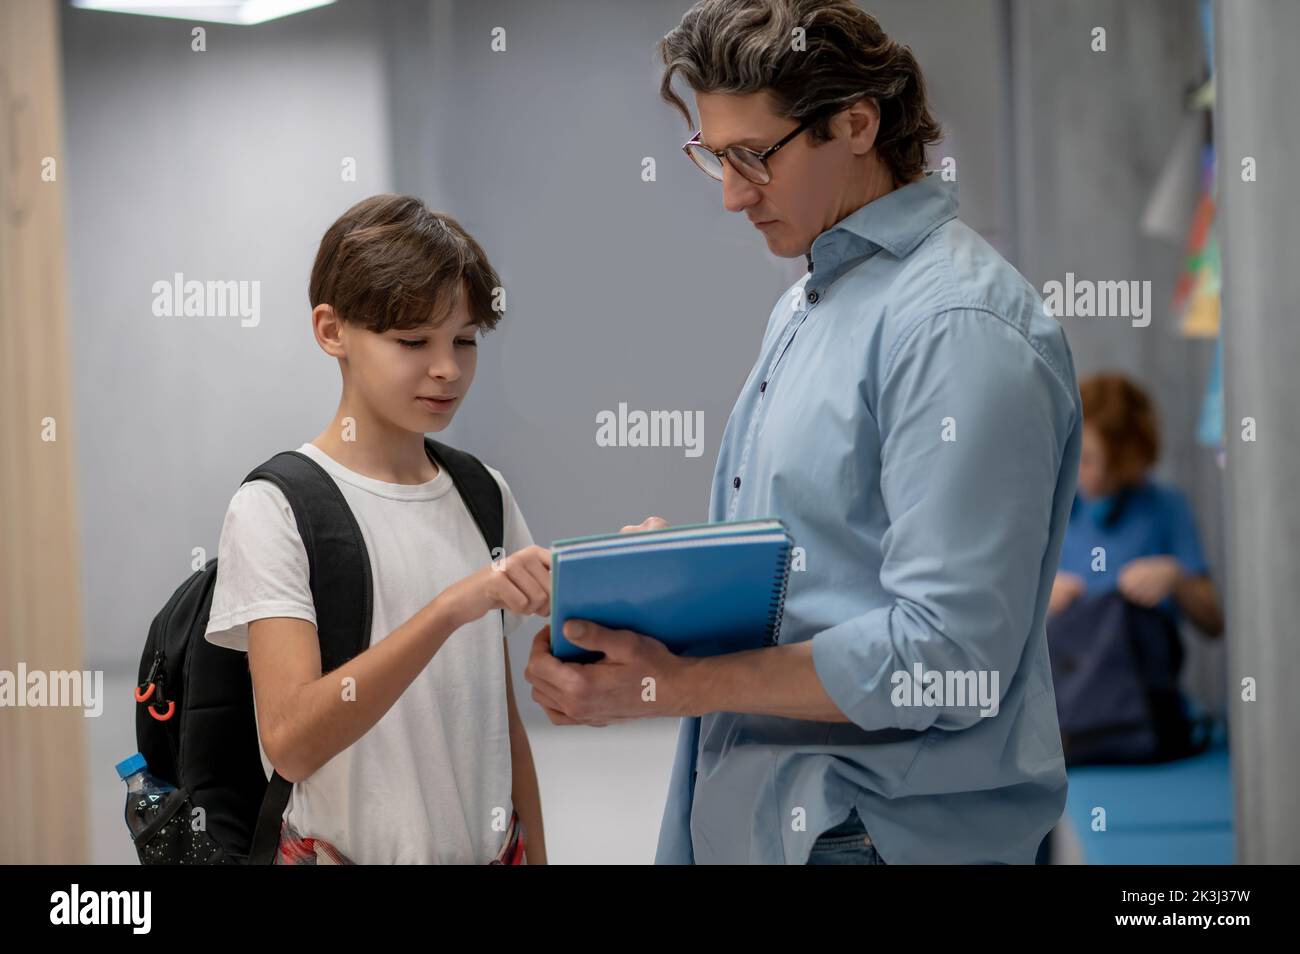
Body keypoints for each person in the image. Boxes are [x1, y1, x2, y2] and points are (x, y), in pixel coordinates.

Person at [525, 0, 1082, 865]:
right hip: (772, 816)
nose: (731, 195)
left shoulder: (959, 325)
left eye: (754, 157)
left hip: (873, 834)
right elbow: (830, 571)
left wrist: (675, 686)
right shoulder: (807, 303)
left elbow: (949, 654)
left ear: (857, 123)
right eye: (713, 156)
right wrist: (683, 592)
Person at [204, 195, 551, 864]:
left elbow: (498, 721)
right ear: (332, 331)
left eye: (466, 340)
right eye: (413, 341)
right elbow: (292, 742)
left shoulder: (483, 493)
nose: (447, 368)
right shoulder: (276, 508)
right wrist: (452, 608)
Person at [1051, 373, 1224, 637]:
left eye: (1088, 459)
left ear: (1122, 461)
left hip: (1139, 673)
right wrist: (1040, 596)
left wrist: (1176, 579)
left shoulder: (1165, 507)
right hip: (1064, 674)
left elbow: (1214, 623)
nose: (1076, 469)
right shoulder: (1052, 508)